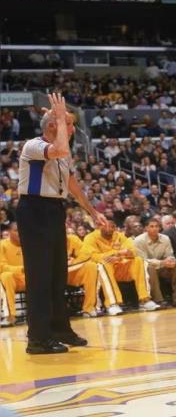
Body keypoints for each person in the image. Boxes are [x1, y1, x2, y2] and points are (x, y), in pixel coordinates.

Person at [15, 93, 107, 354]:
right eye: (68, 124)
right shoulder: (34, 146)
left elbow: (71, 183)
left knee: (57, 274)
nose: (73, 128)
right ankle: (38, 338)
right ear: (53, 126)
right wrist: (57, 115)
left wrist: (92, 212)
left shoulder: (62, 150)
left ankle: (60, 329)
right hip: (34, 210)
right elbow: (60, 150)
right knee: (40, 276)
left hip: (54, 210)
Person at [80, 219, 160, 312]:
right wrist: (116, 253)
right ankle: (112, 304)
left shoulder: (119, 236)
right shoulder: (90, 238)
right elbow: (92, 257)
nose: (109, 229)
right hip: (102, 272)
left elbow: (132, 251)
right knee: (103, 264)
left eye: (112, 227)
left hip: (121, 269)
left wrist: (119, 257)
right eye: (106, 226)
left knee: (139, 260)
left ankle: (144, 299)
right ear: (99, 227)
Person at [134, 218, 176, 307]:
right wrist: (162, 262)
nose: (155, 228)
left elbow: (169, 254)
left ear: (160, 228)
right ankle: (158, 300)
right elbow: (142, 260)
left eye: (157, 226)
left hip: (162, 267)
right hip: (145, 269)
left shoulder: (165, 238)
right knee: (150, 268)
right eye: (151, 226)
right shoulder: (138, 240)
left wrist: (171, 260)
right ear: (146, 228)